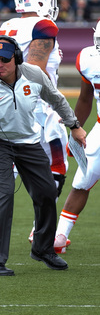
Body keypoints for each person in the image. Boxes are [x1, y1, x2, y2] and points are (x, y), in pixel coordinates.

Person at [0, 35, 86, 276]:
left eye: (4, 60)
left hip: (29, 143)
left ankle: (43, 248)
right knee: (4, 191)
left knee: (47, 193)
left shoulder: (33, 75)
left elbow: (57, 99)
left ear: (17, 59)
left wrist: (75, 125)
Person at [0, 0, 71, 251]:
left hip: (5, 103)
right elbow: (33, 70)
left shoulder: (6, 27)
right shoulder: (44, 26)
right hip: (36, 107)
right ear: (43, 0)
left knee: (6, 167)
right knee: (57, 168)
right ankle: (41, 231)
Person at [54, 21, 100, 254]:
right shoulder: (89, 59)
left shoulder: (90, 57)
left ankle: (60, 234)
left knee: (83, 180)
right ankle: (60, 235)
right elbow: (85, 98)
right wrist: (75, 127)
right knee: (82, 179)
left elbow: (85, 99)